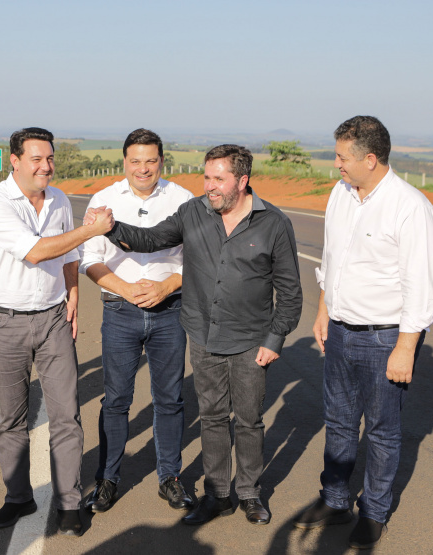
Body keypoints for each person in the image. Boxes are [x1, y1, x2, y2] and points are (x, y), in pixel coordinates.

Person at [94, 144, 302, 526]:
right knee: (212, 417)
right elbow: (150, 239)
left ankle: (250, 493)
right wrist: (112, 228)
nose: (209, 186)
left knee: (250, 420)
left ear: (242, 180)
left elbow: (290, 293)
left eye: (218, 179)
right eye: (206, 178)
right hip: (204, 337)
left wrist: (274, 340)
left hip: (251, 342)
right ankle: (218, 494)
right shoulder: (193, 212)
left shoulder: (273, 223)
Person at [293, 116, 433, 549]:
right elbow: (332, 259)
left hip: (385, 338)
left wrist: (405, 348)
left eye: (341, 157)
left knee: (381, 430)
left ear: (370, 159)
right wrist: (323, 311)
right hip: (339, 329)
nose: (335, 163)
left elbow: (422, 287)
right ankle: (336, 499)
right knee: (338, 421)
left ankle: (374, 513)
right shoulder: (340, 195)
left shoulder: (410, 207)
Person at [0, 127, 115, 536]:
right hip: (4, 321)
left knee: (66, 415)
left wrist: (73, 293)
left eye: (50, 158)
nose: (46, 166)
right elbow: (37, 251)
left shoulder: (57, 199)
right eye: (37, 159)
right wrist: (92, 230)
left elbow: (68, 253)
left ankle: (70, 502)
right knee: (12, 419)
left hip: (53, 317)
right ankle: (18, 497)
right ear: (14, 160)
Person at [79, 129, 194, 514]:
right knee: (115, 401)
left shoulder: (184, 201)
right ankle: (107, 480)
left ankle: (170, 478)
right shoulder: (104, 201)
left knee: (170, 400)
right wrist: (126, 290)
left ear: (162, 161)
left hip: (170, 312)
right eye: (135, 161)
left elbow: (199, 260)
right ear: (123, 162)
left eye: (150, 160)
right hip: (119, 313)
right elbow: (89, 259)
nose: (143, 168)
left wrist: (166, 287)